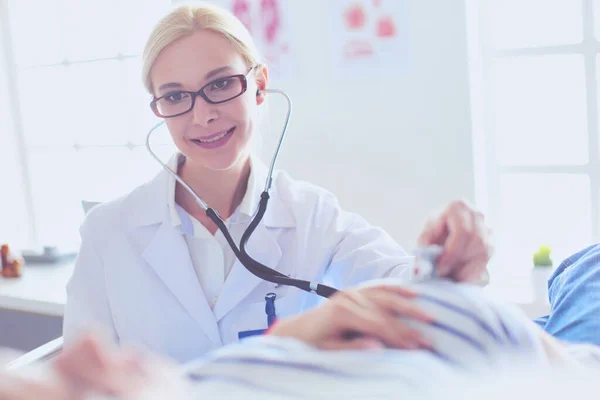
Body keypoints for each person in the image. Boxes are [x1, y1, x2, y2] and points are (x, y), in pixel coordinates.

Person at [63, 2, 492, 363]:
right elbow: (81, 381)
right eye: (175, 96)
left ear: (260, 85)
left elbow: (409, 289)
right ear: (158, 106)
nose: (202, 115)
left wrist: (448, 255)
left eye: (220, 84)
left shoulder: (311, 216)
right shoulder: (108, 233)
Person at [5, 279, 600, 400]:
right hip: (543, 353)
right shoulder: (111, 227)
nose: (81, 350)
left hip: (472, 325)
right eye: (67, 388)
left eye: (222, 85)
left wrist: (290, 333)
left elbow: (401, 274)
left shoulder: (308, 205)